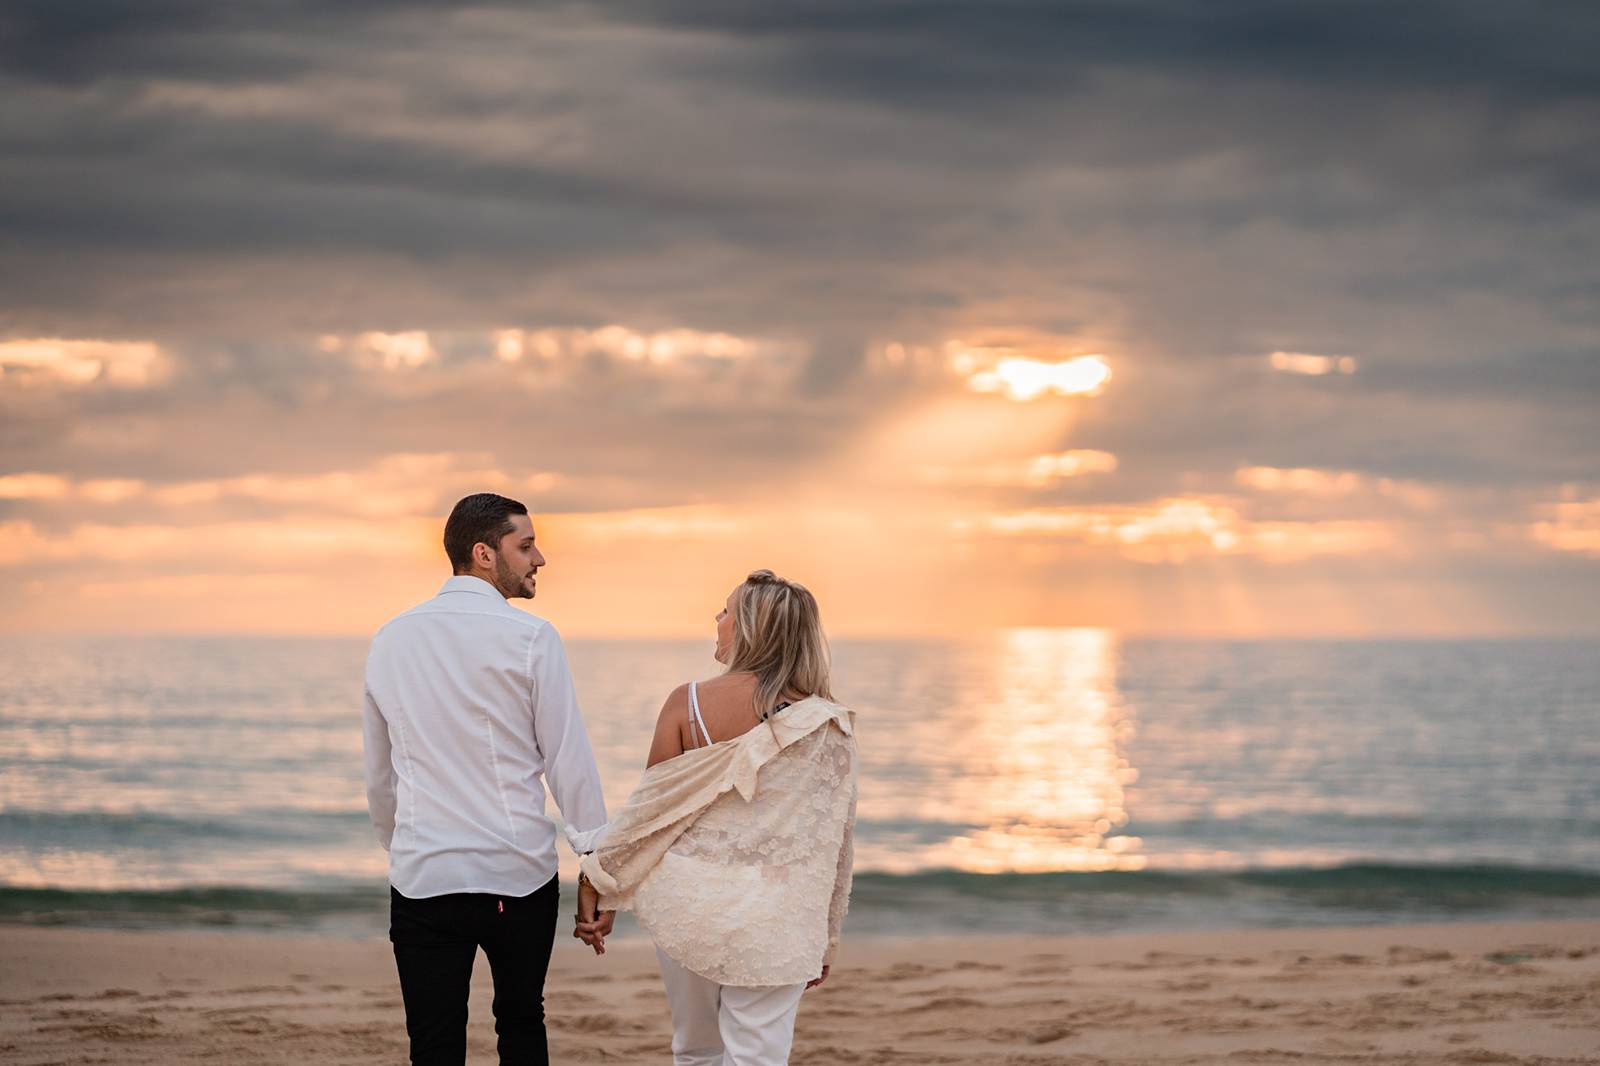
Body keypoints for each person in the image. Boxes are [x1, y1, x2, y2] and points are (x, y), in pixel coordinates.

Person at [570, 569, 858, 1066]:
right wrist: (825, 936)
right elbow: (831, 843)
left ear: (749, 626)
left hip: (692, 906)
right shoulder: (827, 723)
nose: (717, 618)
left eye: (726, 610)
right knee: (757, 1058)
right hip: (779, 918)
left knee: (696, 1048)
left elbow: (649, 816)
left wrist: (599, 882)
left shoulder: (688, 703)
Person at [363, 492, 608, 1066]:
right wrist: (598, 869)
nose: (539, 559)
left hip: (425, 875)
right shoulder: (532, 637)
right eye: (525, 546)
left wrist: (401, 846)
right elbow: (567, 760)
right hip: (516, 873)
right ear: (483, 554)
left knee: (433, 1040)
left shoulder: (390, 639)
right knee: (522, 1021)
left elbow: (380, 773)